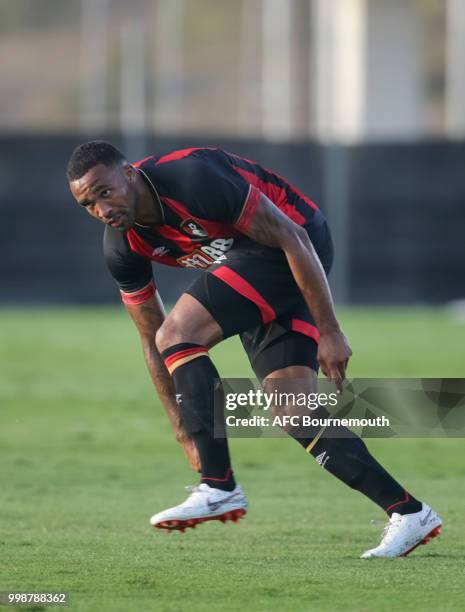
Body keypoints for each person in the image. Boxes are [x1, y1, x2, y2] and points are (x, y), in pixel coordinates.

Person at [67, 141, 441, 558]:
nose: (101, 208)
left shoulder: (192, 179)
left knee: (181, 332)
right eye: (88, 204)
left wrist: (330, 330)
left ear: (130, 174)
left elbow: (293, 236)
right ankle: (409, 513)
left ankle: (219, 485)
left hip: (298, 245)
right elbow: (151, 338)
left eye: (105, 191)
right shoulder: (122, 247)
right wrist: (182, 430)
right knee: (290, 408)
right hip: (249, 265)